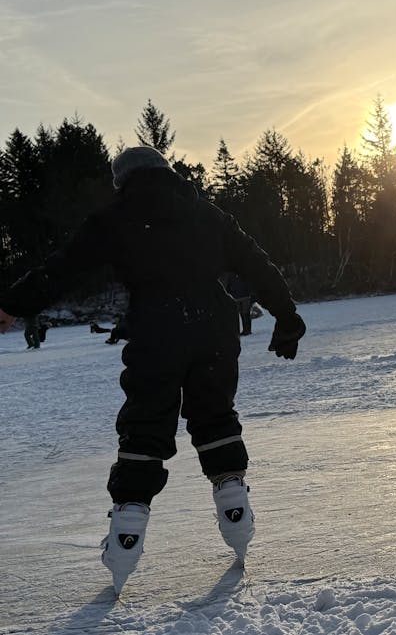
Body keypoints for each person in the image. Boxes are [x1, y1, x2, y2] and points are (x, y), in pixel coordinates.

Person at [0, 146, 306, 593]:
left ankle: (126, 532)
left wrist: (12, 304)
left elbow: (62, 269)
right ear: (167, 172)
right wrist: (286, 314)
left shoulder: (113, 219)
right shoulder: (207, 214)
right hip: (213, 329)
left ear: (121, 181)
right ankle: (234, 510)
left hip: (155, 330)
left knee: (146, 428)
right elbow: (255, 262)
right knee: (215, 417)